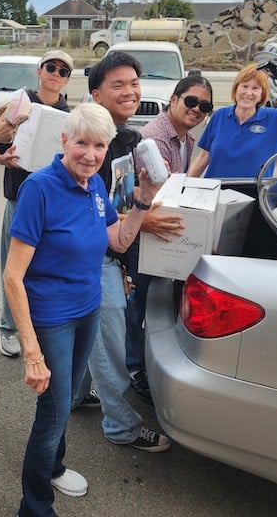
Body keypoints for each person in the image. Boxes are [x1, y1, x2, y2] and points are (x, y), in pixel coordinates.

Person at [3, 102, 164, 517]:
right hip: (51, 318)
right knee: (53, 412)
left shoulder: (93, 184)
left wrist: (143, 202)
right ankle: (34, 508)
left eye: (98, 146)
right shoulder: (39, 188)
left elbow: (118, 241)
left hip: (87, 310)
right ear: (64, 141)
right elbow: (12, 277)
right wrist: (32, 353)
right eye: (81, 144)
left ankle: (54, 467)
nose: (89, 154)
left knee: (61, 408)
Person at [73, 51, 182, 452]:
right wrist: (145, 220)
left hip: (114, 255)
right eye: (117, 84)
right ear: (96, 94)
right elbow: (89, 214)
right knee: (110, 345)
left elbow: (129, 199)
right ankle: (121, 426)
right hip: (92, 260)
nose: (129, 91)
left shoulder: (130, 138)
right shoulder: (89, 145)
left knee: (93, 339)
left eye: (134, 83)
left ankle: (72, 397)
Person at [127, 74, 214, 399]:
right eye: (191, 101)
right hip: (142, 236)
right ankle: (133, 370)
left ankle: (142, 364)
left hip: (165, 239)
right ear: (174, 99)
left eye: (204, 106)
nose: (197, 110)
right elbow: (160, 193)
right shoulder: (153, 137)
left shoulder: (187, 141)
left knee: (155, 307)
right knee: (135, 309)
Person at [0, 49, 72, 358]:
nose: (56, 74)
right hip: (18, 196)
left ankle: (33, 323)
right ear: (39, 71)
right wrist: (4, 159)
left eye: (63, 72)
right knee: (11, 266)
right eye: (51, 67)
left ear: (67, 80)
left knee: (42, 266)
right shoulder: (18, 104)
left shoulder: (69, 114)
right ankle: (8, 327)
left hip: (51, 203)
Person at [188, 62, 277, 178]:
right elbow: (204, 156)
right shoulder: (219, 116)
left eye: (255, 88)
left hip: (252, 195)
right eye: (244, 86)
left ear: (262, 94)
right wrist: (184, 185)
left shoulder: (276, 119)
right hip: (216, 192)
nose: (248, 93)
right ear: (236, 89)